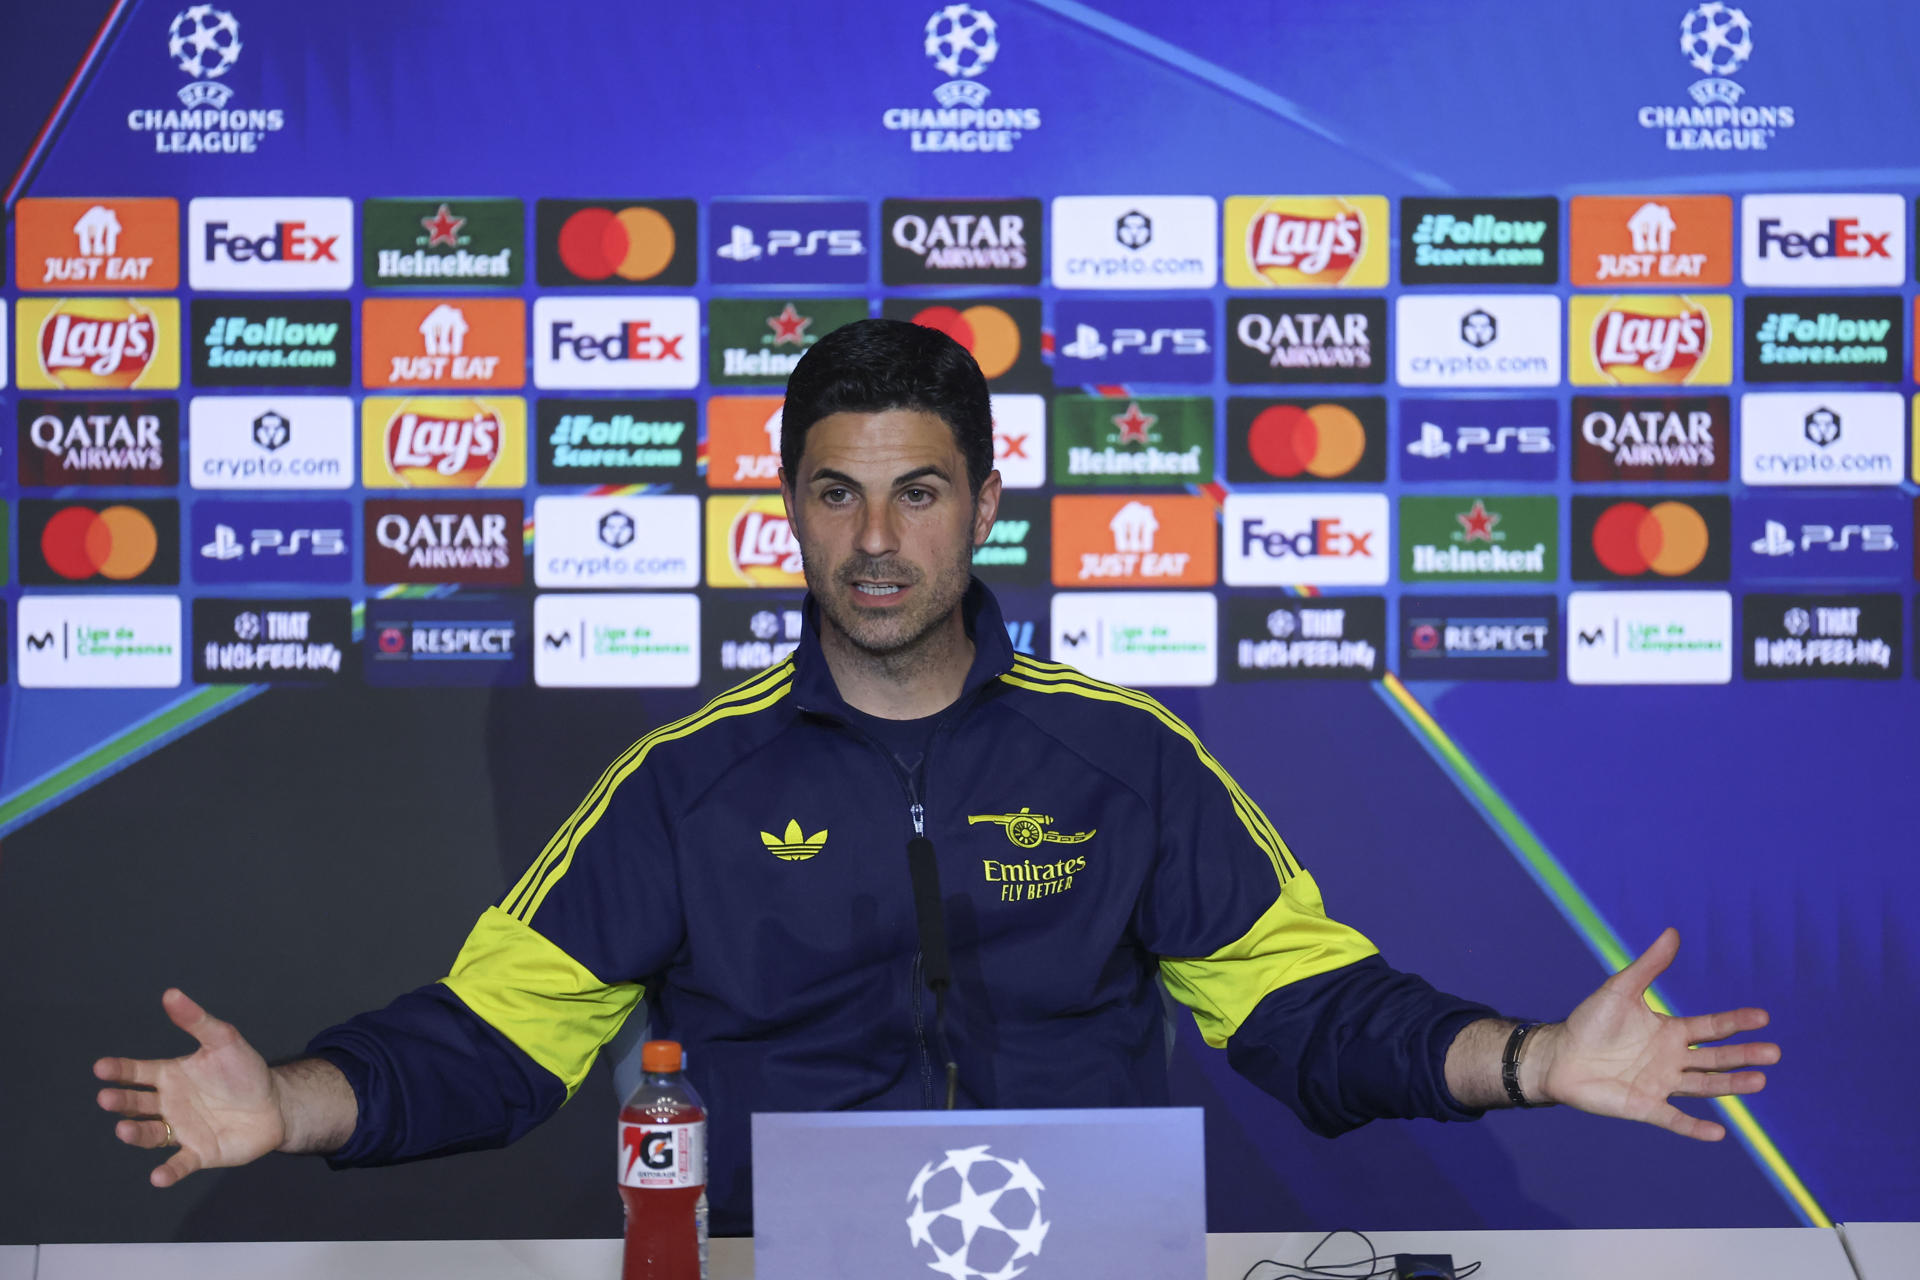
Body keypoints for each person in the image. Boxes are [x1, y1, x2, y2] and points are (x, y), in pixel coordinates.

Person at [94, 319, 1779, 1236]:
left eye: (916, 493)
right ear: (790, 517)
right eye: (836, 495)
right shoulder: (682, 784)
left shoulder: (1122, 758)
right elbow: (497, 1037)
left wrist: (1532, 1056)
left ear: (983, 507)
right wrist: (294, 1104)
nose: (876, 541)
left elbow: (1307, 1008)